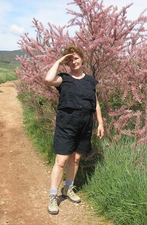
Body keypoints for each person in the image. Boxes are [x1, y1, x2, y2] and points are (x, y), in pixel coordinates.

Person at [45, 45, 104, 215]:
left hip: (85, 125)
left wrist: (100, 123)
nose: (73, 62)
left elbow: (96, 103)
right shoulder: (63, 78)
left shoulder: (90, 81)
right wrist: (59, 61)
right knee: (61, 161)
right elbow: (48, 79)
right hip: (66, 125)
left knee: (76, 159)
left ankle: (68, 188)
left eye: (76, 58)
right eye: (70, 59)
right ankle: (53, 196)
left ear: (82, 59)